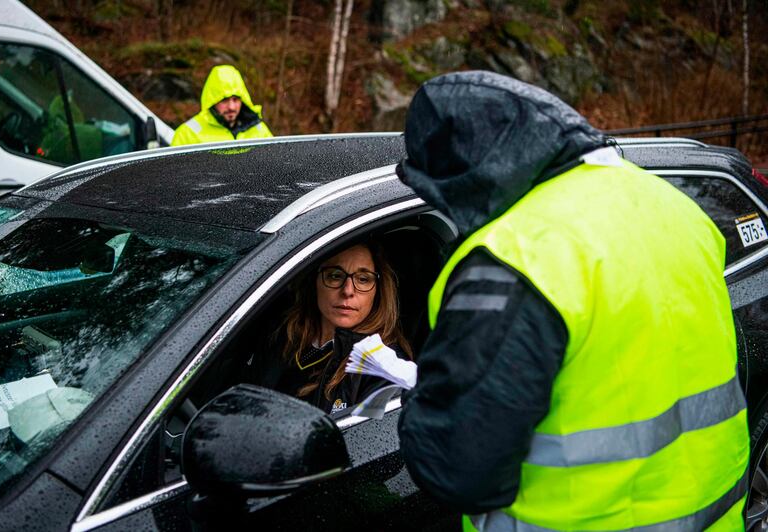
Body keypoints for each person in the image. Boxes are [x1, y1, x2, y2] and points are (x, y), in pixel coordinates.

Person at [395, 71, 750, 531]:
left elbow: (460, 468)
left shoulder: (517, 256)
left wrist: (417, 404)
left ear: (464, 173)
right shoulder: (669, 204)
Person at [274, 242, 412, 416]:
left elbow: (364, 440)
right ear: (315, 282)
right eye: (335, 276)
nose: (347, 290)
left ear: (378, 291)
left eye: (363, 279)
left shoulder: (386, 368)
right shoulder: (281, 336)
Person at [171, 64, 272, 146]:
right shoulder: (188, 134)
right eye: (224, 100)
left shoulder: (259, 129)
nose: (231, 107)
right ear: (212, 101)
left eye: (236, 99)